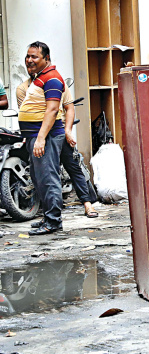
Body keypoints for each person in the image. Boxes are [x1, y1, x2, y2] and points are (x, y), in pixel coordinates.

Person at [16, 77, 98, 221]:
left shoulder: (57, 83)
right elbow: (28, 114)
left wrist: (68, 131)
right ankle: (49, 214)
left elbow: (69, 108)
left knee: (73, 166)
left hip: (58, 131)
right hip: (38, 135)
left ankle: (87, 204)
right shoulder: (23, 89)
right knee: (41, 174)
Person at [18, 41, 66, 235]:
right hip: (36, 136)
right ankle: (48, 217)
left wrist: (40, 138)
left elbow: (52, 110)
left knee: (48, 178)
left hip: (46, 137)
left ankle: (53, 221)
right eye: (28, 56)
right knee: (39, 179)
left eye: (34, 57)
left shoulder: (52, 79)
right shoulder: (40, 77)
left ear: (46, 58)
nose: (29, 60)